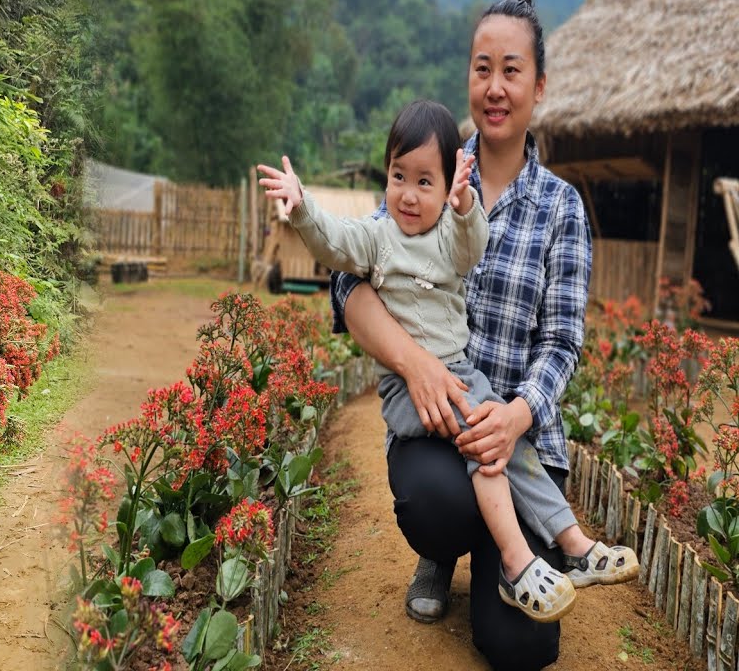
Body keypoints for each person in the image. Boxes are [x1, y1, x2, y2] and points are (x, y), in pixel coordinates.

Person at [325, 0, 630, 670]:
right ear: (467, 75)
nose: (495, 87)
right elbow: (350, 282)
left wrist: (517, 415)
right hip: (438, 421)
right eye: (481, 67)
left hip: (516, 437)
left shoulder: (561, 208)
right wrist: (417, 364)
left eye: (512, 70)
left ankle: (518, 559)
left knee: (519, 646)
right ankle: (440, 552)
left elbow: (562, 343)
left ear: (539, 85)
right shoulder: (428, 168)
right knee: (436, 501)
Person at [260, 98, 637, 628]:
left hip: (463, 377)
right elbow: (337, 247)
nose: (408, 195)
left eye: (424, 182)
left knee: (510, 445)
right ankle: (516, 562)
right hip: (411, 395)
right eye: (398, 176)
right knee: (484, 450)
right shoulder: (378, 237)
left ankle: (572, 544)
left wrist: (464, 205)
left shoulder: (451, 233)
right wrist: (302, 208)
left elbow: (471, 246)